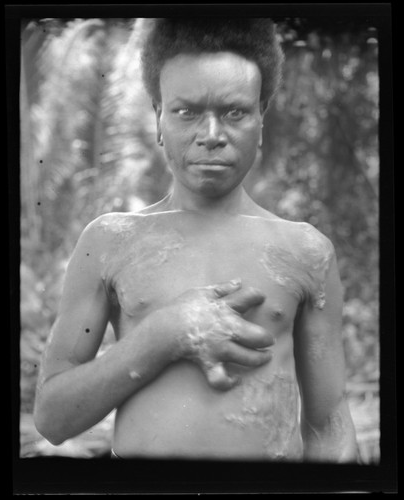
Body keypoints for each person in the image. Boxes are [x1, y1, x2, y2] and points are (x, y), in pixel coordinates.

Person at [34, 18, 359, 461]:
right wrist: (165, 334)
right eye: (187, 112)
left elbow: (330, 428)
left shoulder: (305, 251)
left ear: (261, 120)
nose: (211, 136)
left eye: (235, 112)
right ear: (158, 118)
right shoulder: (110, 242)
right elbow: (53, 418)